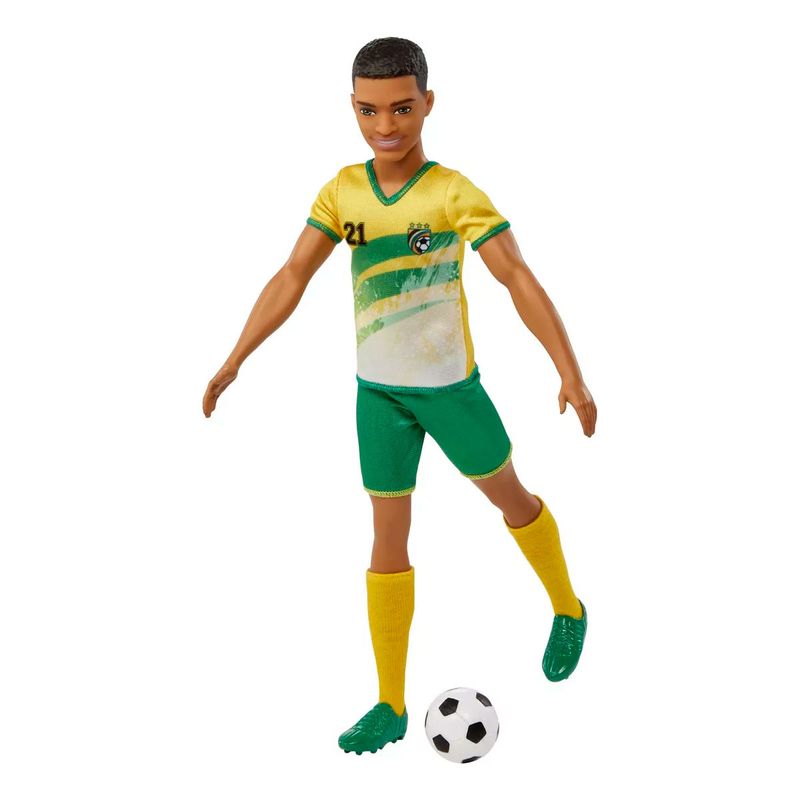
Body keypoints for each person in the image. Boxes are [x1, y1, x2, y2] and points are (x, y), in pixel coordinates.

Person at [203, 37, 597, 756]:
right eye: (369, 110)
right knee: (387, 536)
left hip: (451, 393)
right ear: (353, 108)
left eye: (402, 108)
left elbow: (516, 276)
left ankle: (568, 607)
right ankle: (389, 701)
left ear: (427, 104)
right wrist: (236, 357)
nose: (385, 125)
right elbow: (292, 275)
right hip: (378, 397)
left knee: (512, 500)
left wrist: (568, 370)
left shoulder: (452, 193)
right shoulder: (342, 193)